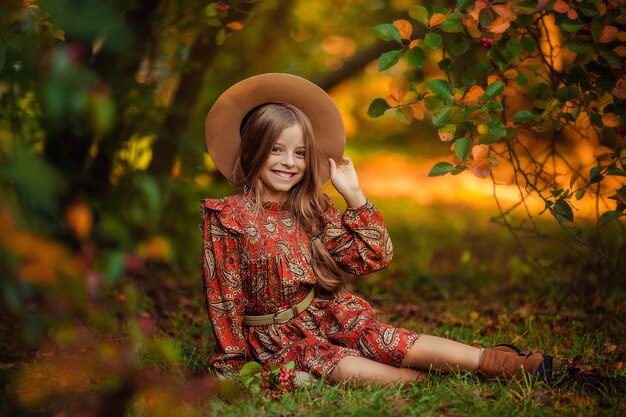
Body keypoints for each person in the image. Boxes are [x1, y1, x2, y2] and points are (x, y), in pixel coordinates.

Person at [201, 73, 552, 385]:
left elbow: (374, 258)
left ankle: (499, 362)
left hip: (328, 317)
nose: (289, 162)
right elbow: (223, 297)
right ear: (254, 150)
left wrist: (353, 196)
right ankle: (419, 380)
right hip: (276, 339)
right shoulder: (228, 217)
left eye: (301, 153)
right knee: (344, 367)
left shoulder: (311, 208)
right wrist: (233, 361)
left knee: (388, 340)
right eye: (276, 150)